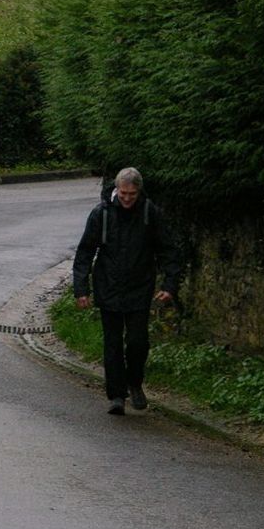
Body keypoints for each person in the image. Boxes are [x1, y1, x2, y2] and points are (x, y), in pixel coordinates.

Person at [72, 167, 183, 415]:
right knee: (112, 343)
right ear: (116, 189)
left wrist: (169, 286)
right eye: (123, 193)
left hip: (139, 287)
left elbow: (168, 249)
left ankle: (135, 382)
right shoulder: (101, 214)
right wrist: (82, 289)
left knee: (137, 342)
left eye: (132, 194)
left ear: (139, 191)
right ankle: (117, 395)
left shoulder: (149, 213)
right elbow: (85, 252)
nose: (127, 198)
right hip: (108, 286)